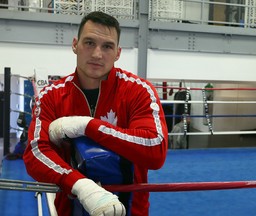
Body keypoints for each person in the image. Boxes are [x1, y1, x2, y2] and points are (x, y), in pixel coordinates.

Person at [23, 11, 168, 216]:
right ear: (75, 45)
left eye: (107, 46)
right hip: (69, 210)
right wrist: (81, 186)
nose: (97, 54)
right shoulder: (51, 96)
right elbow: (36, 153)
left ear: (118, 52)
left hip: (131, 210)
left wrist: (87, 126)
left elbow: (155, 150)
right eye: (89, 43)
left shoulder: (138, 91)